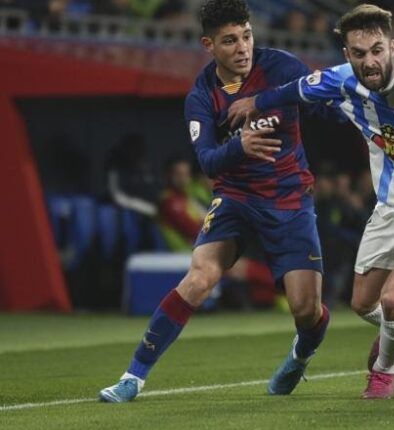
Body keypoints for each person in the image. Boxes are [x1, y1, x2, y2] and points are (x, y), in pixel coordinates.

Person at [233, 4, 394, 399]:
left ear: (392, 46)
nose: (370, 61)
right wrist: (256, 103)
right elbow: (297, 90)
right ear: (347, 55)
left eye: (377, 50)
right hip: (392, 204)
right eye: (359, 54)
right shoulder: (342, 81)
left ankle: (383, 372)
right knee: (362, 303)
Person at [99, 0, 330, 402]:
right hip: (236, 198)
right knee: (199, 277)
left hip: (289, 199)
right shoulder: (202, 96)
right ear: (209, 44)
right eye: (230, 41)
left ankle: (300, 352)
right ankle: (132, 377)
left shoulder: (281, 67)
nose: (242, 47)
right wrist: (239, 146)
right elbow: (207, 161)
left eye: (246, 36)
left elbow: (323, 95)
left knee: (305, 310)